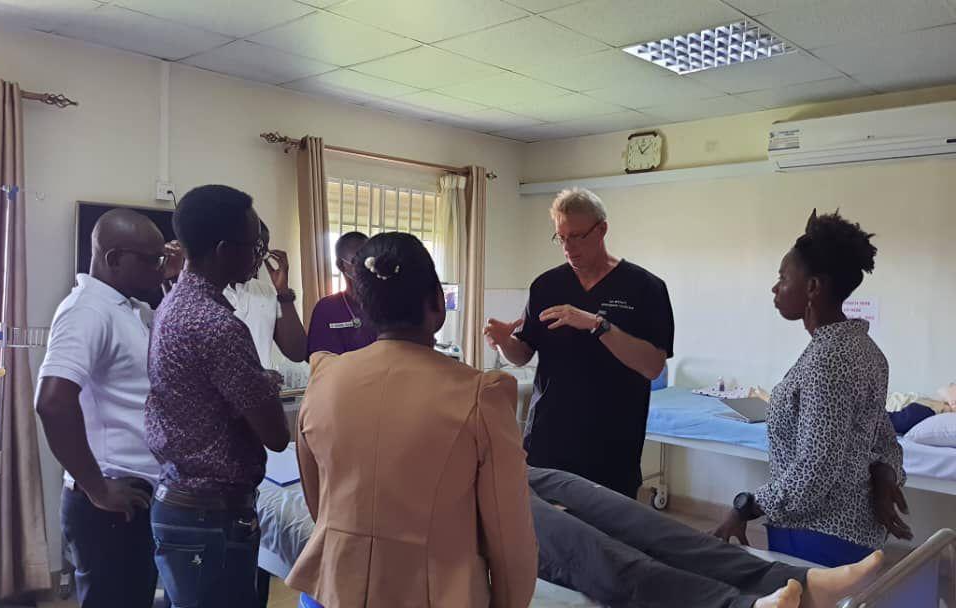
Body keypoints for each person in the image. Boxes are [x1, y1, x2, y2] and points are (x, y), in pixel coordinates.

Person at [288, 232, 538, 608]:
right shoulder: (480, 396)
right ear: (437, 302)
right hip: (433, 594)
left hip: (331, 589)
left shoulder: (324, 378)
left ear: (365, 307)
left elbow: (317, 502)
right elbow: (509, 538)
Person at [715, 210, 910, 567]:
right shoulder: (866, 351)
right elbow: (884, 439)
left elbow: (814, 471)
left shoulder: (828, 361)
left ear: (813, 287)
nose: (775, 288)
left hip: (818, 534)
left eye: (782, 277)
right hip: (855, 532)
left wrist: (745, 507)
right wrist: (887, 473)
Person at [146, 185, 290, 608]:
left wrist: (255, 380)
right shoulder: (218, 326)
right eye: (254, 246)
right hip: (211, 516)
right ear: (225, 250)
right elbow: (275, 435)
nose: (259, 257)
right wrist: (265, 383)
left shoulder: (173, 305)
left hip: (180, 501)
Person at [484, 187, 674, 498]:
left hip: (612, 446)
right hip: (548, 441)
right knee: (544, 526)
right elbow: (523, 354)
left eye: (577, 236)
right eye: (561, 238)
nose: (568, 248)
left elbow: (653, 366)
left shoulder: (645, 288)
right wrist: (505, 343)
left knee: (606, 527)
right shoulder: (546, 286)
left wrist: (598, 326)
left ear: (602, 229)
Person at [35, 209, 181, 608]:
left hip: (138, 495)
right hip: (110, 504)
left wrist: (170, 277)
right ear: (114, 258)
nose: (160, 266)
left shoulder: (130, 308)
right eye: (152, 260)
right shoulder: (87, 311)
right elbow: (52, 402)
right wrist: (97, 488)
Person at [529, 466, 885, 608]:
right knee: (583, 543)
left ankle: (800, 584)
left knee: (643, 523)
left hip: (517, 465)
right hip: (489, 490)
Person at [223, 221, 307, 366]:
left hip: (260, 381)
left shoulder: (266, 291)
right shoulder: (204, 293)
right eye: (256, 251)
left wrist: (283, 291)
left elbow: (297, 353)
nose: (259, 261)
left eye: (263, 254)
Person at [305, 231, 377, 356]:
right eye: (357, 261)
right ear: (341, 265)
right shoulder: (327, 308)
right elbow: (320, 358)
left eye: (369, 260)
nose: (366, 267)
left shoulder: (386, 305)